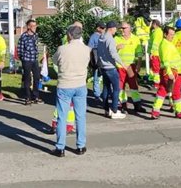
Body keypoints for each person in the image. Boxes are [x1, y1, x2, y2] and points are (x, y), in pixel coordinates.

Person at [51, 24, 91, 157]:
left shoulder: (62, 49)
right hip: (80, 84)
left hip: (65, 84)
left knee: (62, 116)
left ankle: (60, 147)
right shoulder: (86, 49)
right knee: (80, 116)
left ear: (69, 35)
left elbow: (55, 61)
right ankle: (81, 145)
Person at [152, 26, 181, 119]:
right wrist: (170, 73)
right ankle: (179, 112)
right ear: (165, 34)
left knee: (162, 90)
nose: (172, 36)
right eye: (171, 34)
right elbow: (165, 60)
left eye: (173, 34)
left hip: (170, 70)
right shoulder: (165, 45)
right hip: (170, 71)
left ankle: (155, 111)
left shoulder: (166, 43)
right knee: (176, 91)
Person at [97, 21, 129, 119]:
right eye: (116, 28)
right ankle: (114, 110)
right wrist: (122, 64)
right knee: (116, 88)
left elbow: (100, 51)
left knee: (106, 88)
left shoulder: (101, 37)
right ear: (112, 28)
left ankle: (107, 109)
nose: (116, 30)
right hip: (110, 67)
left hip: (103, 66)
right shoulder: (110, 39)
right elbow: (113, 53)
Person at [115, 22, 146, 113]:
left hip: (131, 66)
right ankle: (123, 105)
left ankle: (137, 105)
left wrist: (139, 65)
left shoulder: (135, 39)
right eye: (121, 28)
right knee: (121, 87)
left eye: (124, 28)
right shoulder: (116, 38)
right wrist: (116, 47)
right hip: (120, 66)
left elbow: (139, 54)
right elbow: (111, 51)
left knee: (133, 86)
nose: (122, 30)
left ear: (129, 29)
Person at [17, 19, 43, 105]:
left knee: (37, 78)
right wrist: (23, 59)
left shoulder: (36, 36)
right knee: (27, 79)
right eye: (33, 26)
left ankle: (36, 96)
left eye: (36, 26)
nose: (35, 28)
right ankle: (28, 97)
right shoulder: (23, 36)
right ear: (28, 27)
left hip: (35, 60)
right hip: (27, 60)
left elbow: (39, 47)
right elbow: (20, 50)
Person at [88, 21, 106, 100]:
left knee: (105, 76)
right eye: (102, 28)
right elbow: (89, 48)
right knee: (96, 77)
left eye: (104, 28)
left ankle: (105, 93)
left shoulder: (105, 36)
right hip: (96, 59)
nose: (103, 29)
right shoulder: (93, 36)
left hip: (105, 58)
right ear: (97, 28)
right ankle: (97, 94)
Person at [148, 19, 163, 88]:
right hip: (155, 53)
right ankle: (154, 81)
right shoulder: (155, 32)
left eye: (152, 24)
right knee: (154, 69)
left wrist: (151, 53)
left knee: (155, 69)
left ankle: (157, 84)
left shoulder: (157, 32)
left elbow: (155, 44)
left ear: (155, 24)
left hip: (155, 53)